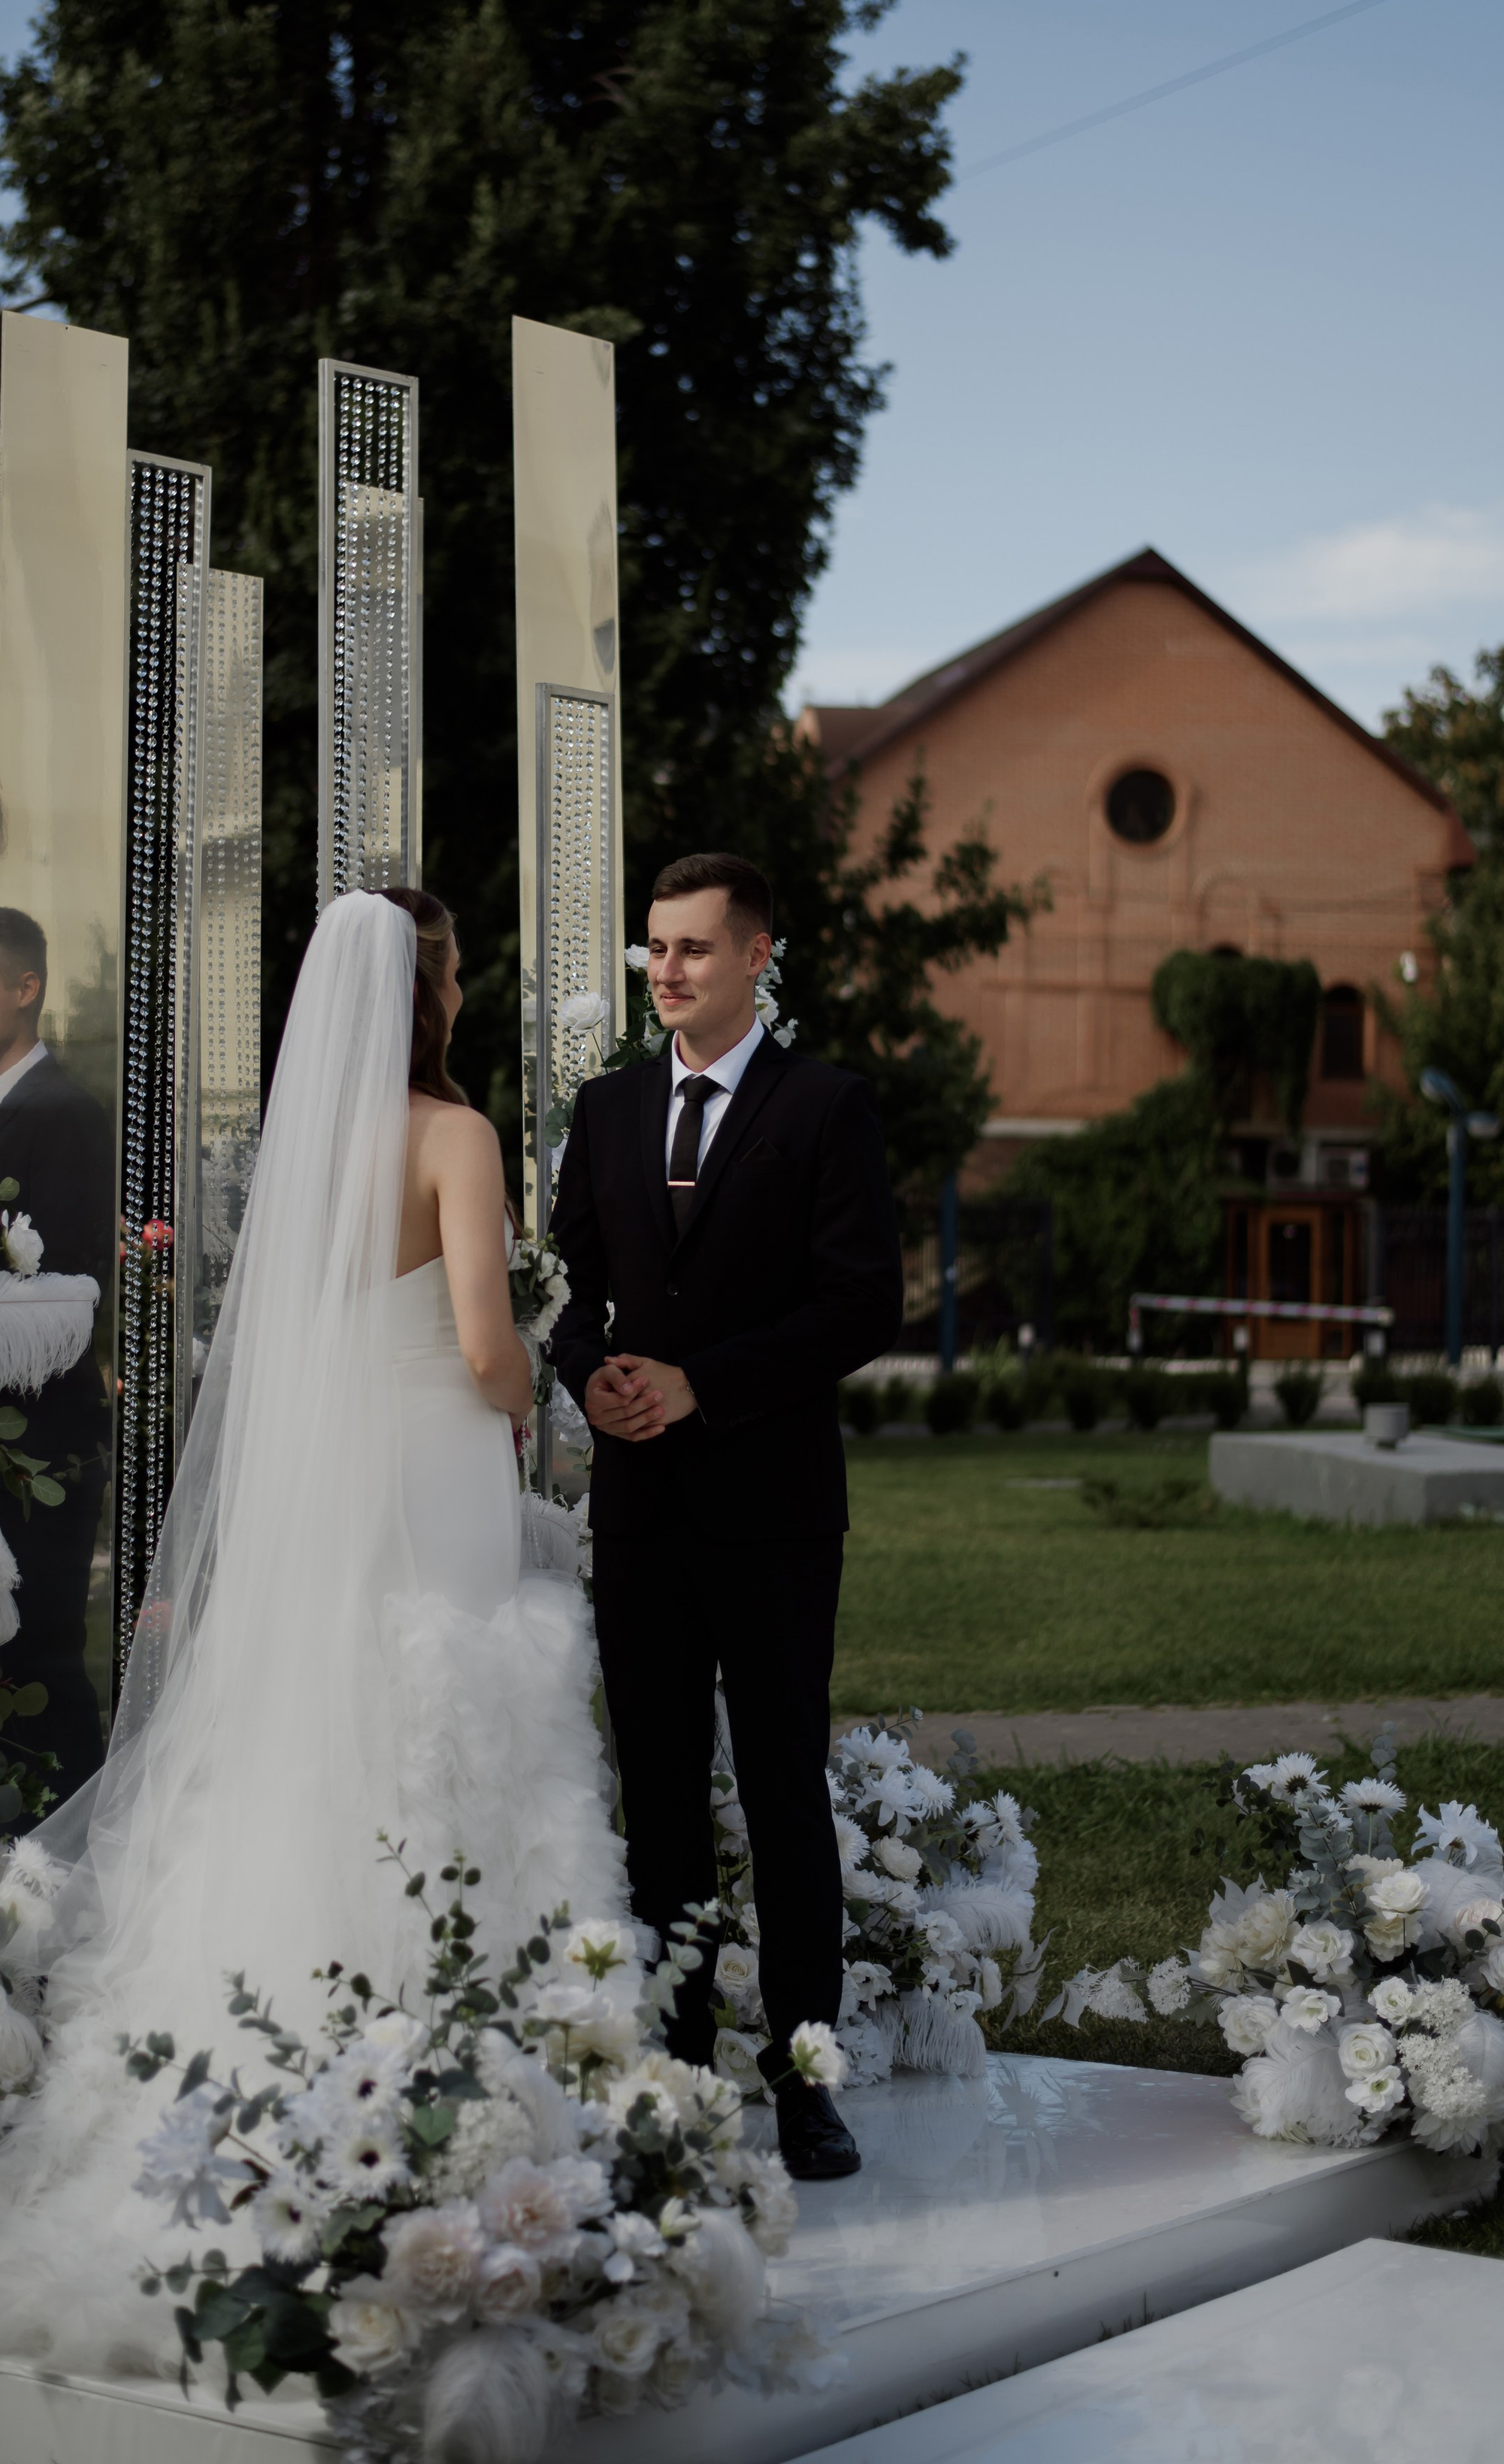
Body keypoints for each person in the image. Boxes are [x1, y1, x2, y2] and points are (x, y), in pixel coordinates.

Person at [0, 890, 625, 2373]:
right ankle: (449, 2069)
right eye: (457, 970)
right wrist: (526, 1387)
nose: (464, 991)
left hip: (331, 1474)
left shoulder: (304, 1146)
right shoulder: (450, 1138)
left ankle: (266, 2082)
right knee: (441, 1732)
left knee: (311, 1736)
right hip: (429, 1470)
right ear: (426, 990)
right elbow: (481, 1343)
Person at [549, 853, 903, 2182]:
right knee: (659, 1799)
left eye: (695, 948)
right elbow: (574, 1290)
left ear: (759, 957)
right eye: (654, 947)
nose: (667, 970)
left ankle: (805, 2074)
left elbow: (864, 1304)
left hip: (773, 1510)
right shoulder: (608, 1108)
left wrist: (710, 1383)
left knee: (779, 1790)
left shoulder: (826, 1109)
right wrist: (592, 1375)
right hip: (641, 1511)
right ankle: (681, 2068)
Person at [0, 908, 117, 1794]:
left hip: (41, 1437)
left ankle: (74, 1837)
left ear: (26, 988)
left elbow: (68, 1285)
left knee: (42, 1657)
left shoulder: (62, 1110)